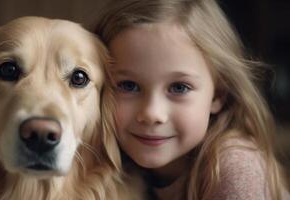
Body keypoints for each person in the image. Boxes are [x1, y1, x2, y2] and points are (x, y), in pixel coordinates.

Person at [94, 0, 290, 199]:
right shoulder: (106, 165)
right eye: (128, 86)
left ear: (218, 95)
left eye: (179, 88)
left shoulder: (235, 169)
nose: (152, 113)